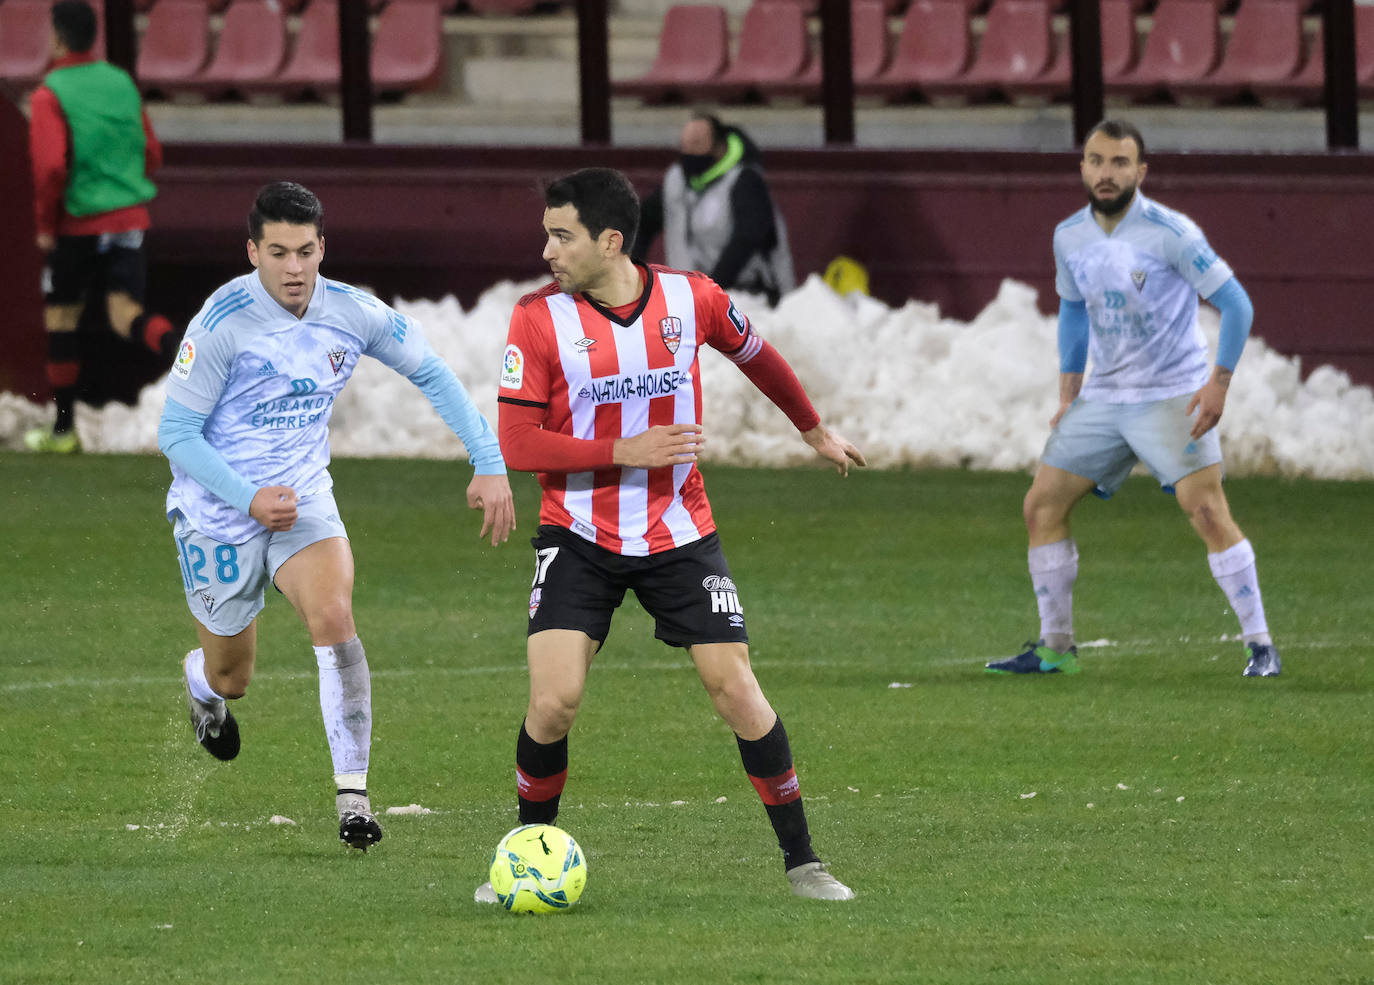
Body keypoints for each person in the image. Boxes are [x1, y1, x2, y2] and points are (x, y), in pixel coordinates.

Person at [475, 167, 865, 903]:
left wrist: (812, 428)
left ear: (611, 240)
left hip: (678, 529)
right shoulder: (537, 318)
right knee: (554, 702)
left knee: (736, 689)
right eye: (547, 234)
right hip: (579, 531)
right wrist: (623, 450)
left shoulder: (693, 298)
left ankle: (804, 861)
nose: (549, 251)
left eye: (563, 236)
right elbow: (519, 443)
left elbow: (758, 355)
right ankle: (527, 852)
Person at [158, 181, 516, 850]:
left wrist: (487, 460)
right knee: (233, 674)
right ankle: (199, 682)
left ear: (323, 247)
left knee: (334, 617)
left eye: (305, 251)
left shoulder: (350, 311)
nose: (294, 268)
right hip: (218, 511)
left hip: (302, 498)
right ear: (252, 252)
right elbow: (177, 433)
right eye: (277, 252)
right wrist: (247, 496)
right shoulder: (220, 323)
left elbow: (433, 371)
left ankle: (353, 797)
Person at [986, 120, 1281, 679]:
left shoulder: (1172, 233)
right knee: (1041, 506)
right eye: (1096, 161)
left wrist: (1218, 382)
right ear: (1082, 168)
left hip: (1172, 396)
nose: (1106, 173)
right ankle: (1055, 648)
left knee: (1206, 512)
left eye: (1119, 163)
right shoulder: (1069, 235)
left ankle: (1260, 644)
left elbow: (1237, 304)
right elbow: (1073, 310)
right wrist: (1070, 390)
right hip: (1104, 397)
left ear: (1140, 172)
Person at [26, 0, 180, 453]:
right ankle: (188, 353)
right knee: (124, 314)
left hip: (78, 223)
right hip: (129, 219)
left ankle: (64, 431)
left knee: (61, 317)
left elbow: (51, 168)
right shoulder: (121, 83)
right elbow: (151, 152)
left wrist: (45, 225)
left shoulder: (49, 93)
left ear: (56, 35)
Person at [633, 113, 795, 306]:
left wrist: (711, 291)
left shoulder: (745, 181)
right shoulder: (677, 182)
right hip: (691, 301)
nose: (688, 153)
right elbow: (642, 223)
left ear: (719, 148)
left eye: (697, 144)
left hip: (750, 297)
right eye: (684, 146)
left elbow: (747, 238)